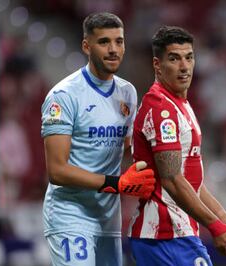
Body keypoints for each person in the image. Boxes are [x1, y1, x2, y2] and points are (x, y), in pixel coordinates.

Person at [40, 12, 155, 266]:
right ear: (86, 46)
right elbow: (57, 171)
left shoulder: (127, 93)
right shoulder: (64, 96)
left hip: (107, 217)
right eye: (104, 42)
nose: (114, 49)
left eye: (119, 41)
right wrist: (119, 183)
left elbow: (124, 148)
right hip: (70, 214)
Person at [128, 25, 226, 265]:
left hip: (175, 233)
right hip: (163, 235)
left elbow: (190, 180)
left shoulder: (180, 105)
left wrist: (223, 217)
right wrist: (214, 225)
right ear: (157, 65)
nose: (184, 66)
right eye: (174, 59)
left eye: (189, 58)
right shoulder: (161, 110)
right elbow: (172, 179)